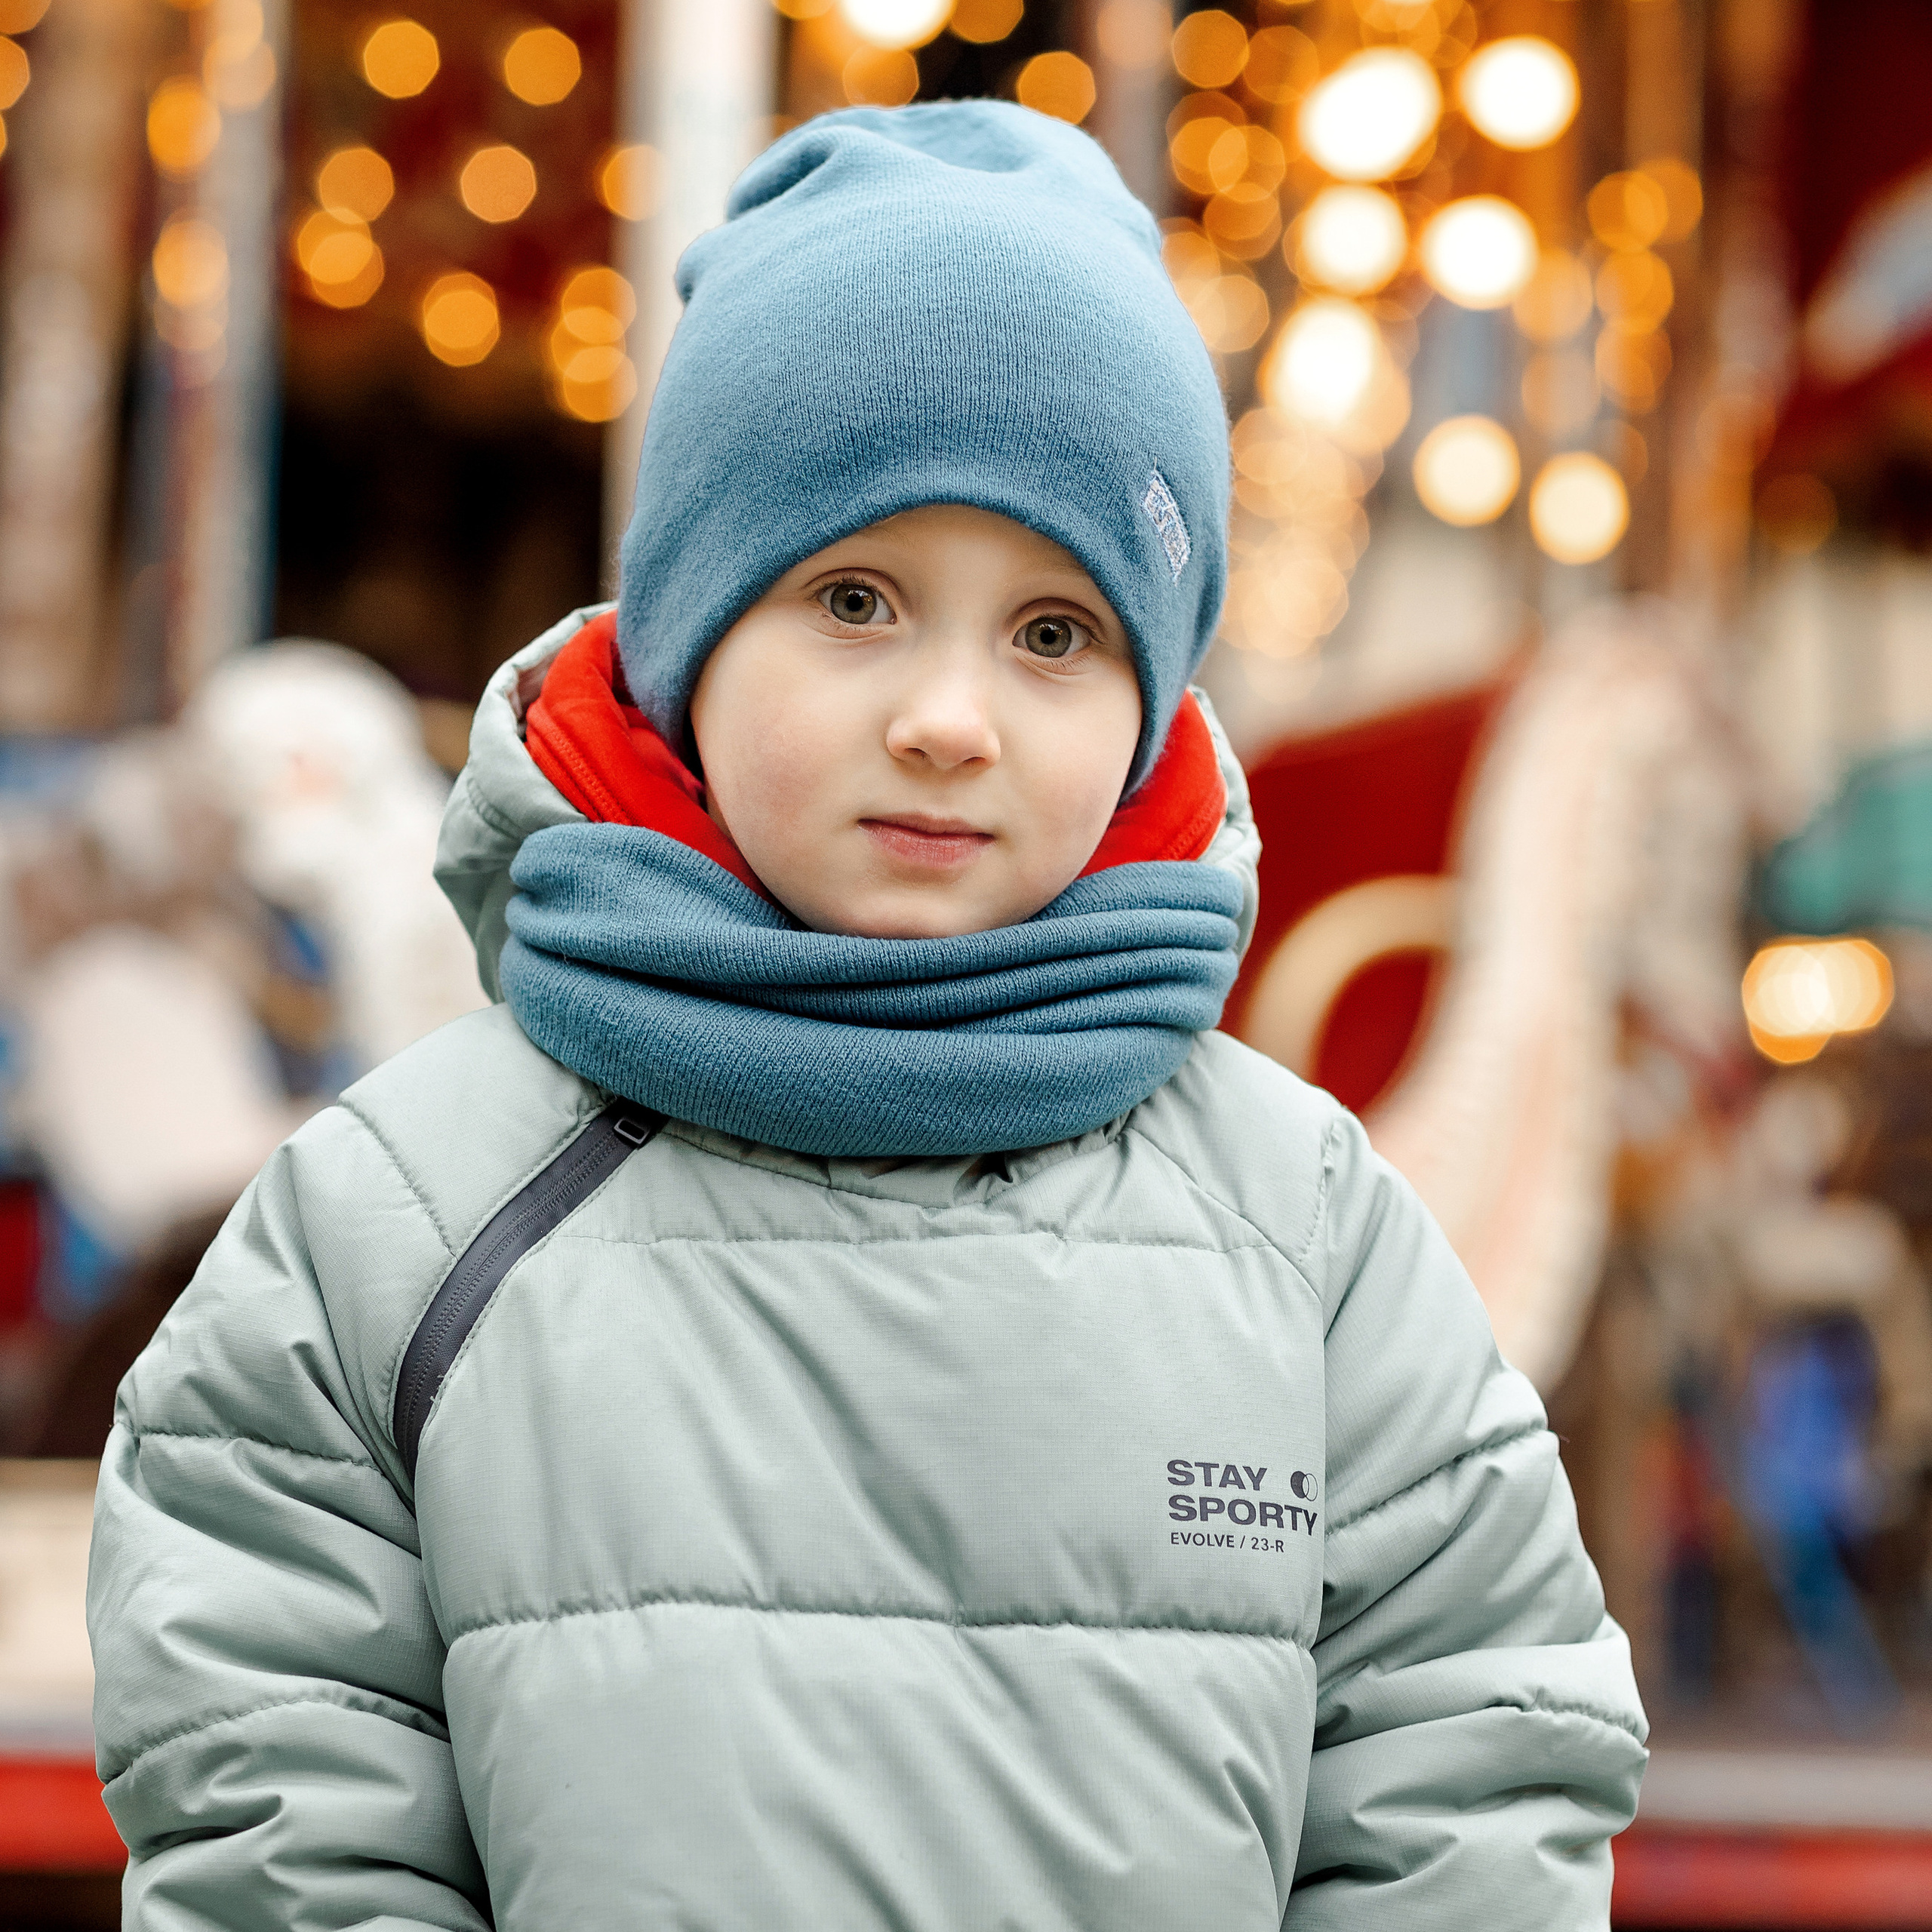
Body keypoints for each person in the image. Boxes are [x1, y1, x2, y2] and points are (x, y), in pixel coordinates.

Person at [88, 103, 1645, 1929]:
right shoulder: (399, 1221)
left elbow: (1472, 1748)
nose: (948, 717)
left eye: (1053, 632)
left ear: (1151, 702)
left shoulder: (1299, 1233)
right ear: (685, 637)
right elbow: (277, 1791)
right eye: (854, 598)